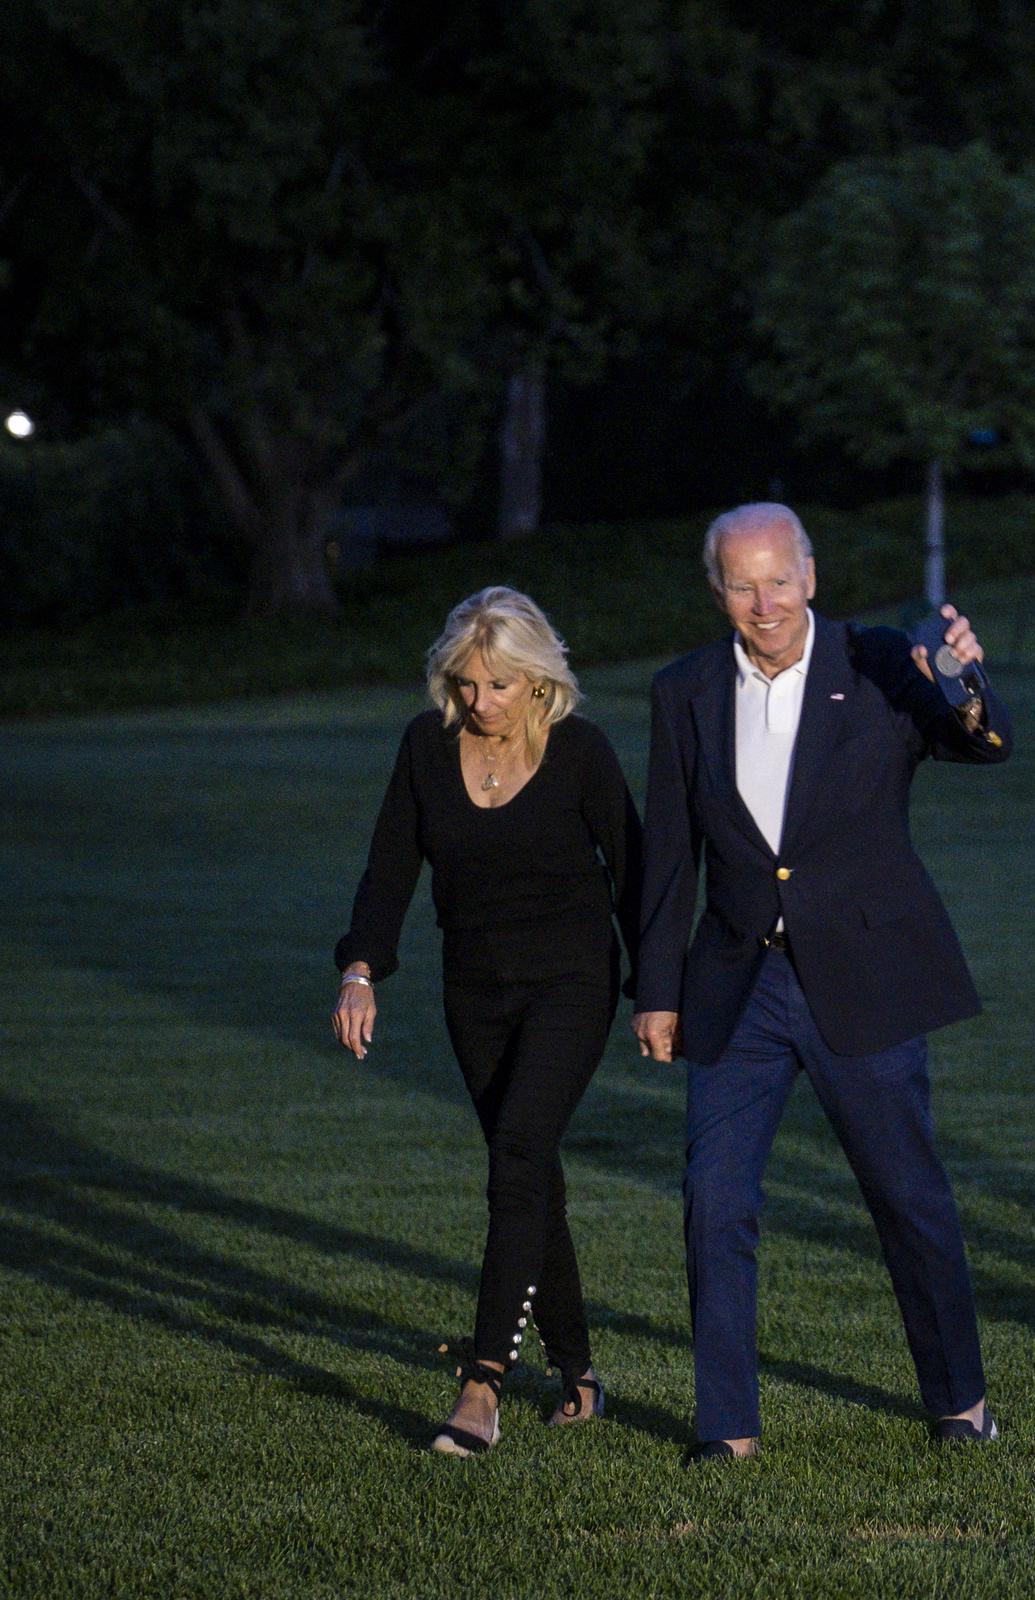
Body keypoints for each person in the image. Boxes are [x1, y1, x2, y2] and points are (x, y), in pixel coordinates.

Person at [631, 503, 1011, 1463]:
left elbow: (978, 742)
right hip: (736, 985)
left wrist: (963, 685)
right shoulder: (682, 691)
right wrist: (657, 991)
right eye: (742, 583)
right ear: (716, 589)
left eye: (779, 578)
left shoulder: (880, 662)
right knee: (715, 1203)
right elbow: (670, 853)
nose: (765, 602)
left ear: (811, 575)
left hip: (866, 974)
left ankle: (960, 1401)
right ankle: (728, 1429)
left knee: (907, 1199)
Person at [333, 586, 641, 1456]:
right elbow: (389, 868)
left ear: (539, 681)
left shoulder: (580, 752)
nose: (482, 703)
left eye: (501, 685)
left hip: (571, 982)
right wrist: (360, 971)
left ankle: (482, 1387)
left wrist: (657, 990)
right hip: (475, 991)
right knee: (527, 1166)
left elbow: (636, 870)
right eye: (466, 685)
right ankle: (577, 1374)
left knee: (514, 1152)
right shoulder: (426, 749)